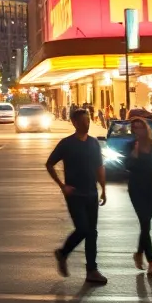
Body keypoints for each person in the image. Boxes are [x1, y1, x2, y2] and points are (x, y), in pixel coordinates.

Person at [46, 108, 108, 285]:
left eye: (87, 121)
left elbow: (99, 167)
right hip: (74, 194)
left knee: (92, 232)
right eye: (82, 121)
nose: (86, 124)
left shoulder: (94, 143)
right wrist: (62, 185)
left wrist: (103, 189)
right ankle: (63, 252)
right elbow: (50, 164)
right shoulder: (66, 144)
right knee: (83, 229)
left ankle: (92, 270)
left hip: (91, 192)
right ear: (74, 123)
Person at [125, 117, 152, 277]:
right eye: (135, 128)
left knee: (146, 225)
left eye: (140, 127)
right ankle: (151, 262)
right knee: (145, 223)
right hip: (136, 189)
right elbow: (127, 166)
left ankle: (139, 253)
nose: (138, 131)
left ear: (145, 129)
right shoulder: (130, 145)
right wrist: (134, 153)